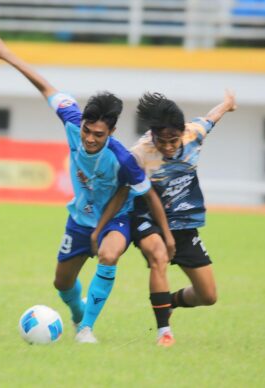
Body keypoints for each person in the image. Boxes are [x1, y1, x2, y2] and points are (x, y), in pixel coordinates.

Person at [0, 30, 173, 344]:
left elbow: (146, 193)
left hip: (115, 218)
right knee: (62, 283)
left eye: (98, 134)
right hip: (79, 218)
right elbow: (44, 85)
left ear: (112, 131)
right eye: (87, 131)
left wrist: (166, 234)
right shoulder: (70, 118)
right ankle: (78, 313)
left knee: (110, 255)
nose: (90, 138)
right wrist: (4, 52)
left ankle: (86, 329)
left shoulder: (123, 160)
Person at [96, 90, 236, 346]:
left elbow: (211, 117)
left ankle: (166, 303)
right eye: (163, 141)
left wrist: (227, 104)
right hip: (146, 218)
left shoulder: (194, 133)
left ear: (183, 131)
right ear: (152, 135)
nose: (169, 146)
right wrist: (101, 226)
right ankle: (165, 332)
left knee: (208, 295)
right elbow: (121, 189)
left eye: (174, 139)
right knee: (158, 255)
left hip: (183, 224)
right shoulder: (140, 154)